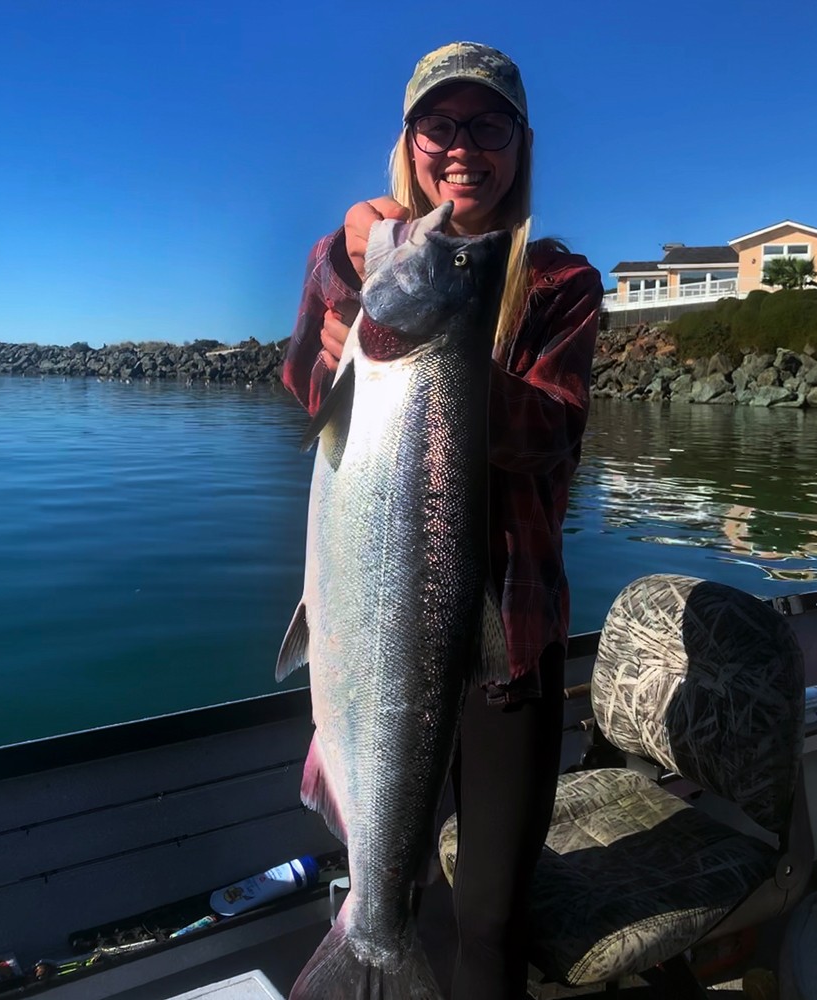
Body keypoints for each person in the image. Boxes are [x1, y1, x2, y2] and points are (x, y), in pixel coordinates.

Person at [282, 41, 602, 1000]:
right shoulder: (358, 256)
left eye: (489, 124)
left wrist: (441, 346)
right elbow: (306, 386)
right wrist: (347, 273)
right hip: (378, 627)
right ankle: (371, 947)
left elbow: (552, 430)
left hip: (514, 639)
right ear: (409, 140)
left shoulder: (561, 280)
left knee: (491, 919)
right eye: (441, 125)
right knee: (392, 885)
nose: (463, 148)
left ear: (521, 144)